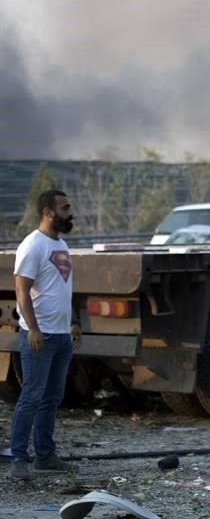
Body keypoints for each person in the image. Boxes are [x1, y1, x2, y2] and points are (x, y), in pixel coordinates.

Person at [9, 189, 82, 480]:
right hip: (40, 337)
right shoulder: (32, 245)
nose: (70, 212)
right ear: (48, 212)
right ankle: (18, 459)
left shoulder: (61, 245)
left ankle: (45, 456)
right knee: (31, 397)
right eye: (65, 208)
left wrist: (74, 321)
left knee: (52, 398)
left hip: (62, 336)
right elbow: (21, 291)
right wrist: (33, 329)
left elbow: (64, 287)